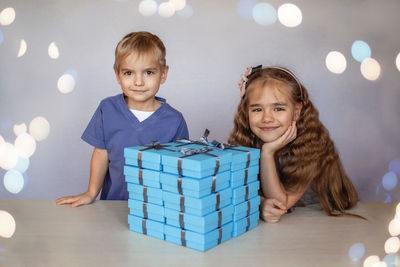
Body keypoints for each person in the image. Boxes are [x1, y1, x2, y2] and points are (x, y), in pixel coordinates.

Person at [56, 31, 189, 207]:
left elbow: (180, 168)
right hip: (113, 206)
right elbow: (101, 153)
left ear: (163, 74)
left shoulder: (175, 121)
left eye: (149, 72)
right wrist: (91, 193)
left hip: (156, 210)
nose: (138, 82)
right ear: (118, 74)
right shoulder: (107, 109)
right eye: (129, 73)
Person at [229, 65, 360, 222]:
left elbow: (279, 205)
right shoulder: (247, 140)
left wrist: (267, 153)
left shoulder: (314, 145)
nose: (266, 118)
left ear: (296, 111)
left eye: (278, 108)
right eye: (257, 109)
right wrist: (261, 204)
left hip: (319, 224)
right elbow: (236, 189)